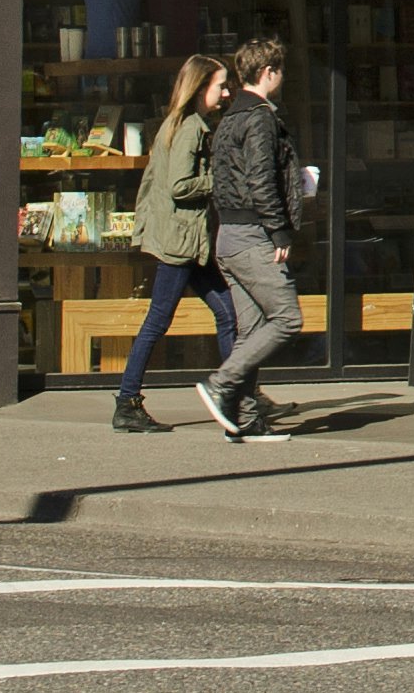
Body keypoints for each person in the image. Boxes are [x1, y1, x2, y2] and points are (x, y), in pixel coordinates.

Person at [111, 55, 236, 434]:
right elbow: (180, 186)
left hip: (186, 241)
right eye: (221, 86)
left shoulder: (181, 125)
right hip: (180, 243)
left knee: (228, 312)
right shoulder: (189, 130)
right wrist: (221, 179)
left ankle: (236, 393)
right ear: (201, 89)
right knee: (158, 320)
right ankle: (127, 401)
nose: (227, 92)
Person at [199, 37, 306, 442]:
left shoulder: (229, 117)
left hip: (227, 234)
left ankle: (243, 418)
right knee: (286, 318)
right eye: (280, 71)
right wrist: (279, 228)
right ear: (269, 73)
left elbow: (230, 177)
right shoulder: (260, 117)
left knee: (251, 329)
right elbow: (261, 179)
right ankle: (221, 384)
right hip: (252, 235)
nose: (281, 77)